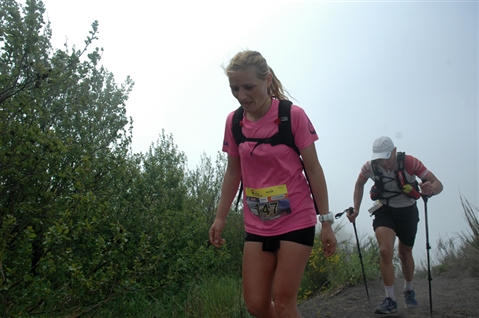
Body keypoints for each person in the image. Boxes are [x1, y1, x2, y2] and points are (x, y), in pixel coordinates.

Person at [208, 50, 337, 318]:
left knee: (283, 300)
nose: (242, 96)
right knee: (256, 305)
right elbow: (233, 172)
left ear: (267, 80)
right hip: (257, 224)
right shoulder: (234, 122)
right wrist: (220, 217)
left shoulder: (292, 116)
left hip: (296, 219)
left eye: (249, 87)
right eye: (234, 89)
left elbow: (313, 169)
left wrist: (326, 222)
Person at [347, 136, 443, 315]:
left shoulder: (411, 163)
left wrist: (432, 189)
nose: (384, 163)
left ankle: (408, 289)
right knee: (385, 251)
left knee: (405, 253)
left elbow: (438, 184)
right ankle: (390, 299)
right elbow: (359, 184)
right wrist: (356, 209)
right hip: (384, 210)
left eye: (387, 158)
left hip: (407, 212)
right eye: (380, 159)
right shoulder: (370, 167)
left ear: (394, 151)